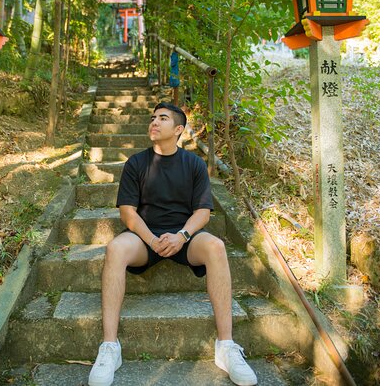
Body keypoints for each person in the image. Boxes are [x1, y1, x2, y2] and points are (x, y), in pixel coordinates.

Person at [88, 102, 258, 386]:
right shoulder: (136, 163)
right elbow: (127, 213)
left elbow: (203, 213)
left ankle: (226, 346)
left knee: (216, 246)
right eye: (152, 117)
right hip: (145, 239)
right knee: (115, 248)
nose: (154, 122)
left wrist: (182, 236)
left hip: (184, 238)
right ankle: (109, 348)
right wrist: (153, 239)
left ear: (178, 129)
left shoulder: (193, 164)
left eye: (162, 118)